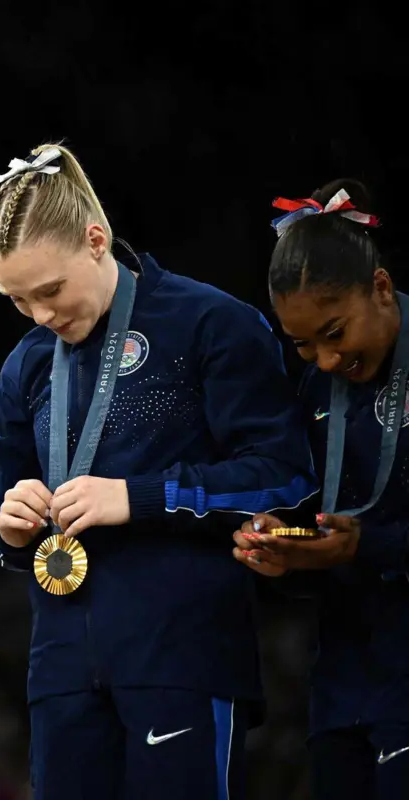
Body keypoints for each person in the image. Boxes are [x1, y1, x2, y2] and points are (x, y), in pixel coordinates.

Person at [0, 144, 317, 799]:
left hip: (183, 654)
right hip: (63, 668)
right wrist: (10, 525)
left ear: (96, 240)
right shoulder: (25, 366)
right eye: (18, 301)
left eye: (50, 290)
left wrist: (139, 497)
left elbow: (285, 479)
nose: (41, 315)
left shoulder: (211, 325)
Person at [232, 180, 409, 800]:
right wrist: (284, 540)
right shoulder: (314, 392)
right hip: (344, 676)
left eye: (335, 333)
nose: (326, 360)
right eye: (304, 344)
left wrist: (372, 546)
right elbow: (319, 506)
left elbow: (366, 536)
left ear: (381, 288)